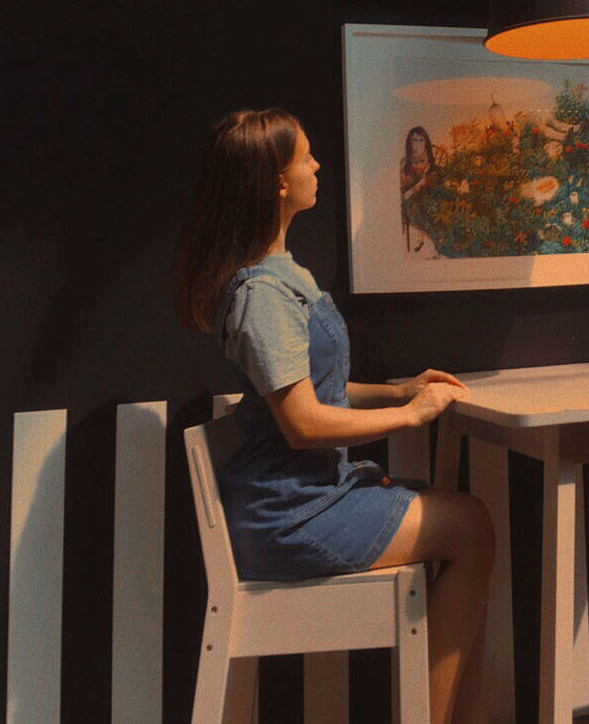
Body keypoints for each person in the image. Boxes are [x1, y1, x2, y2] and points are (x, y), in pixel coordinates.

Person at [174, 108, 493, 724]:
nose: (318, 166)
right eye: (307, 157)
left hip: (307, 495)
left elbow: (319, 386)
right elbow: (304, 423)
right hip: (289, 514)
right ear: (276, 182)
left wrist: (399, 391)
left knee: (467, 522)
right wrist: (412, 417)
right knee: (472, 526)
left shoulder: (280, 275)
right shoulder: (260, 295)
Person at [400, 125, 439, 256]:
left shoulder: (429, 162)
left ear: (426, 142)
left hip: (425, 196)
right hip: (407, 197)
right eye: (414, 140)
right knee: (409, 202)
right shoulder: (404, 162)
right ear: (409, 142)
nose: (418, 144)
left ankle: (425, 238)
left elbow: (431, 183)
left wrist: (415, 189)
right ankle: (421, 237)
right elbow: (401, 185)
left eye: (421, 140)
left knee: (425, 203)